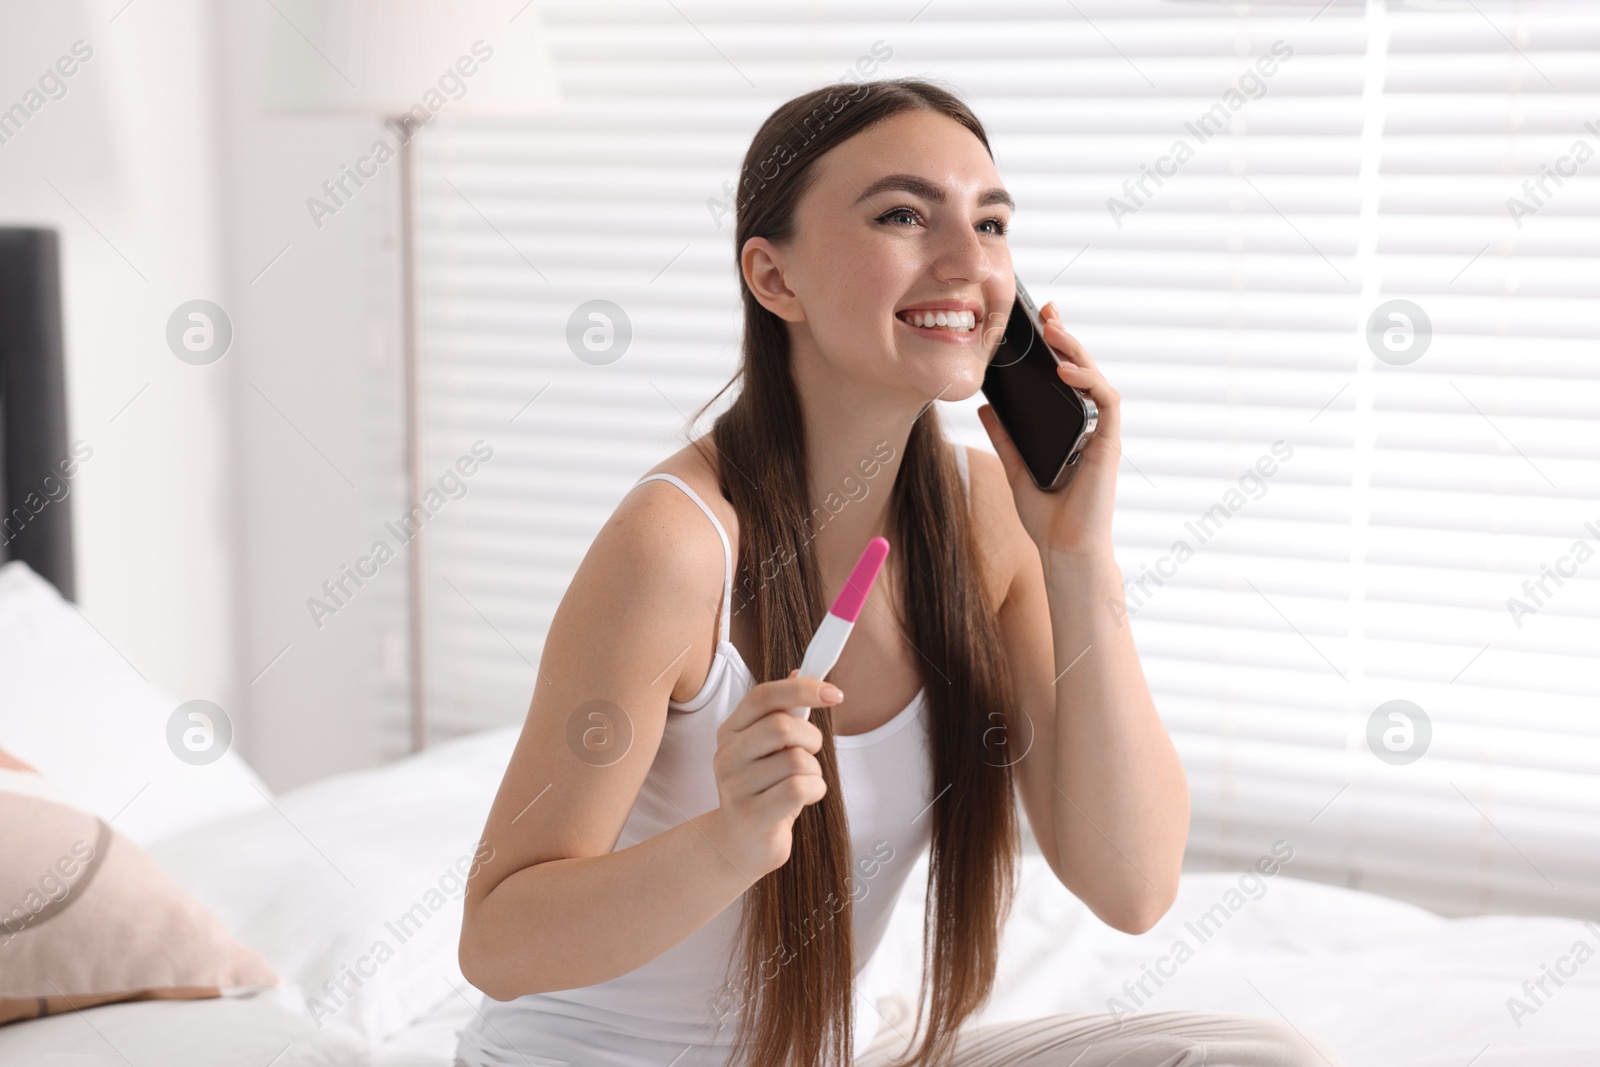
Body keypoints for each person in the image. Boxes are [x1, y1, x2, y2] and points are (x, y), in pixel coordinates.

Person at [454, 76, 1343, 1067]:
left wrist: (1076, 553)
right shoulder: (675, 547)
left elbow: (1130, 885)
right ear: (773, 277)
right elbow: (496, 940)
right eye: (903, 215)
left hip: (840, 1050)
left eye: (991, 222)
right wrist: (729, 842)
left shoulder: (984, 519)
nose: (969, 262)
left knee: (1263, 1055)